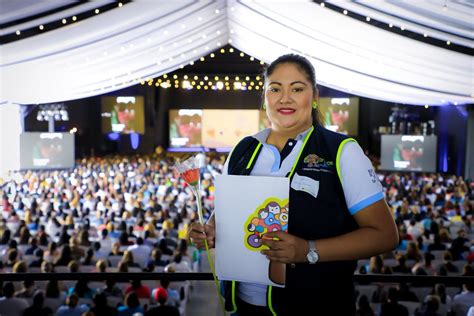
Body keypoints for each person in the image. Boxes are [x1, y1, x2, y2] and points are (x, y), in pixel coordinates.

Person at [188, 54, 399, 315]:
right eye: (275, 88)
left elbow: (385, 235)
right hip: (244, 307)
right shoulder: (243, 150)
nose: (285, 98)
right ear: (265, 97)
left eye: (297, 89)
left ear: (314, 96)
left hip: (315, 306)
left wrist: (307, 250)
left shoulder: (341, 151)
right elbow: (230, 215)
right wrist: (211, 231)